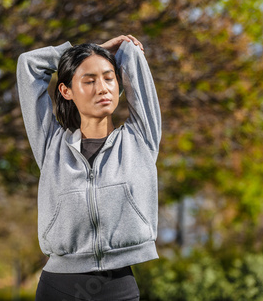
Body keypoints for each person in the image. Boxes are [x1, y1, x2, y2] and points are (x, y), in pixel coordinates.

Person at [16, 35, 161, 301]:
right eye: (89, 80)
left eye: (109, 78)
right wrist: (89, 51)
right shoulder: (51, 146)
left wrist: (126, 51)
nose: (102, 88)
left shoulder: (140, 139)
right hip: (58, 287)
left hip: (118, 285)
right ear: (66, 91)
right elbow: (28, 65)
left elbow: (136, 69)